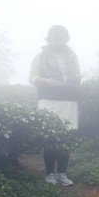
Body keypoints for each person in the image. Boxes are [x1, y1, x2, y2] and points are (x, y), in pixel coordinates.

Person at [29, 24, 81, 186]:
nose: (61, 41)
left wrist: (76, 79)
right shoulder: (41, 56)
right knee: (50, 137)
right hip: (49, 99)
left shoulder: (73, 56)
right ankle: (50, 173)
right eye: (57, 38)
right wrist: (44, 81)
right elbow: (32, 77)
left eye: (63, 38)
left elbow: (77, 75)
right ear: (50, 39)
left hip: (69, 100)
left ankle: (62, 173)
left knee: (66, 136)